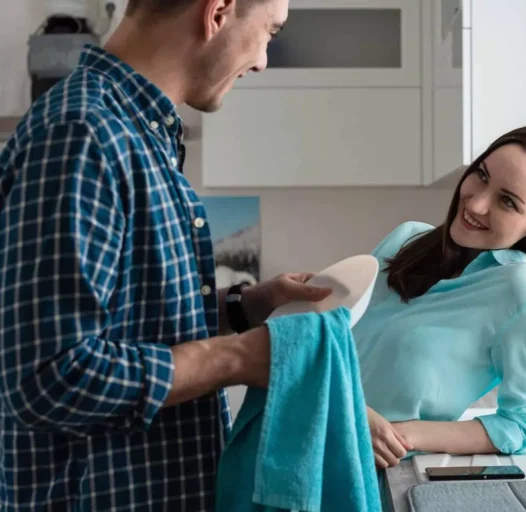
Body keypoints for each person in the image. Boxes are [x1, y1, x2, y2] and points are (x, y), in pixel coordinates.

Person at [0, 1, 334, 510]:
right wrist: (237, 357)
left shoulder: (134, 134)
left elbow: (127, 323)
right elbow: (48, 376)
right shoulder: (85, 135)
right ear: (217, 12)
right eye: (269, 30)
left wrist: (244, 307)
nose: (264, 60)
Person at [352, 125, 526, 469]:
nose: (475, 204)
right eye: (481, 175)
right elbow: (338, 340)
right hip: (297, 432)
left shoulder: (523, 300)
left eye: (507, 201)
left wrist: (403, 434)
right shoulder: (405, 238)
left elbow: (521, 425)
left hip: (366, 470)